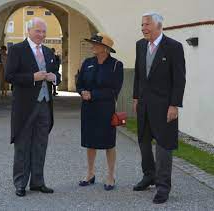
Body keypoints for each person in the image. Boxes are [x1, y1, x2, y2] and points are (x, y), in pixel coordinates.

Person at [133, 12, 186, 204]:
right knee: (144, 143)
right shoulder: (140, 45)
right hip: (144, 105)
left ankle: (163, 187)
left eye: (146, 25)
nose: (143, 28)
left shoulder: (173, 47)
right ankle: (149, 176)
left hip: (165, 107)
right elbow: (139, 74)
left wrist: (174, 105)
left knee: (164, 147)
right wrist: (135, 97)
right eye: (142, 25)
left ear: (158, 26)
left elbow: (179, 80)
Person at [5, 17, 61, 197]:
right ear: (29, 31)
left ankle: (38, 182)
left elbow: (55, 74)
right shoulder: (17, 50)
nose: (42, 35)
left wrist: (55, 78)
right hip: (25, 106)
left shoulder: (47, 51)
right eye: (38, 31)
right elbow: (10, 76)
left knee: (40, 144)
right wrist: (32, 77)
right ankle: (20, 183)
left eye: (44, 32)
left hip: (45, 105)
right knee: (22, 145)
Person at [76, 33, 123, 191]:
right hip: (88, 109)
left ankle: (110, 175)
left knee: (109, 143)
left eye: (95, 44)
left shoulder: (117, 65)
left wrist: (93, 94)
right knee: (90, 142)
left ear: (105, 48)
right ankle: (90, 173)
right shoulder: (87, 62)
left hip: (105, 109)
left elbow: (114, 91)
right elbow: (80, 83)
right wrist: (82, 91)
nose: (92, 46)